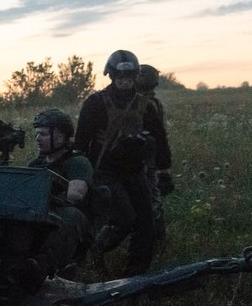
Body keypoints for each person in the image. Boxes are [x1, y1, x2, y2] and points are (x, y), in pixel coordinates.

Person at [74, 50, 168, 276]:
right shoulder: (95, 103)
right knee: (125, 218)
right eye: (120, 77)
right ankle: (96, 250)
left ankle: (136, 274)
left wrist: (164, 171)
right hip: (105, 171)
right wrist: (81, 175)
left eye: (129, 77)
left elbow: (160, 140)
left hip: (135, 170)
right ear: (112, 76)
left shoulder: (146, 106)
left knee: (147, 224)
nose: (125, 82)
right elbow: (80, 143)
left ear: (135, 77)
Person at [28, 108, 94, 280]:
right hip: (40, 219)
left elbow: (75, 194)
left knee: (70, 215)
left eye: (42, 134)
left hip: (74, 228)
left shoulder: (77, 162)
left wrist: (43, 199)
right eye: (37, 134)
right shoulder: (35, 165)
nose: (37, 139)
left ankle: (39, 269)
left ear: (59, 135)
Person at [135, 64, 174, 245]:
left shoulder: (153, 105)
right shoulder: (147, 104)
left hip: (147, 163)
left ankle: (156, 242)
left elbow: (160, 138)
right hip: (136, 164)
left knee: (152, 205)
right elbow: (161, 137)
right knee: (151, 205)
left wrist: (163, 169)